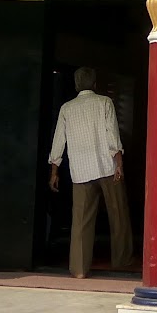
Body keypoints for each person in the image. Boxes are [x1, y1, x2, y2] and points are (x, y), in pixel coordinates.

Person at [47, 67, 133, 278]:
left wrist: (54, 171)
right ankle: (121, 261)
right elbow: (112, 135)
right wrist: (119, 163)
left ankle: (79, 269)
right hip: (107, 167)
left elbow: (58, 140)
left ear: (76, 85)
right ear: (95, 84)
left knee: (80, 222)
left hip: (81, 170)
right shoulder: (105, 102)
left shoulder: (67, 108)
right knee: (118, 216)